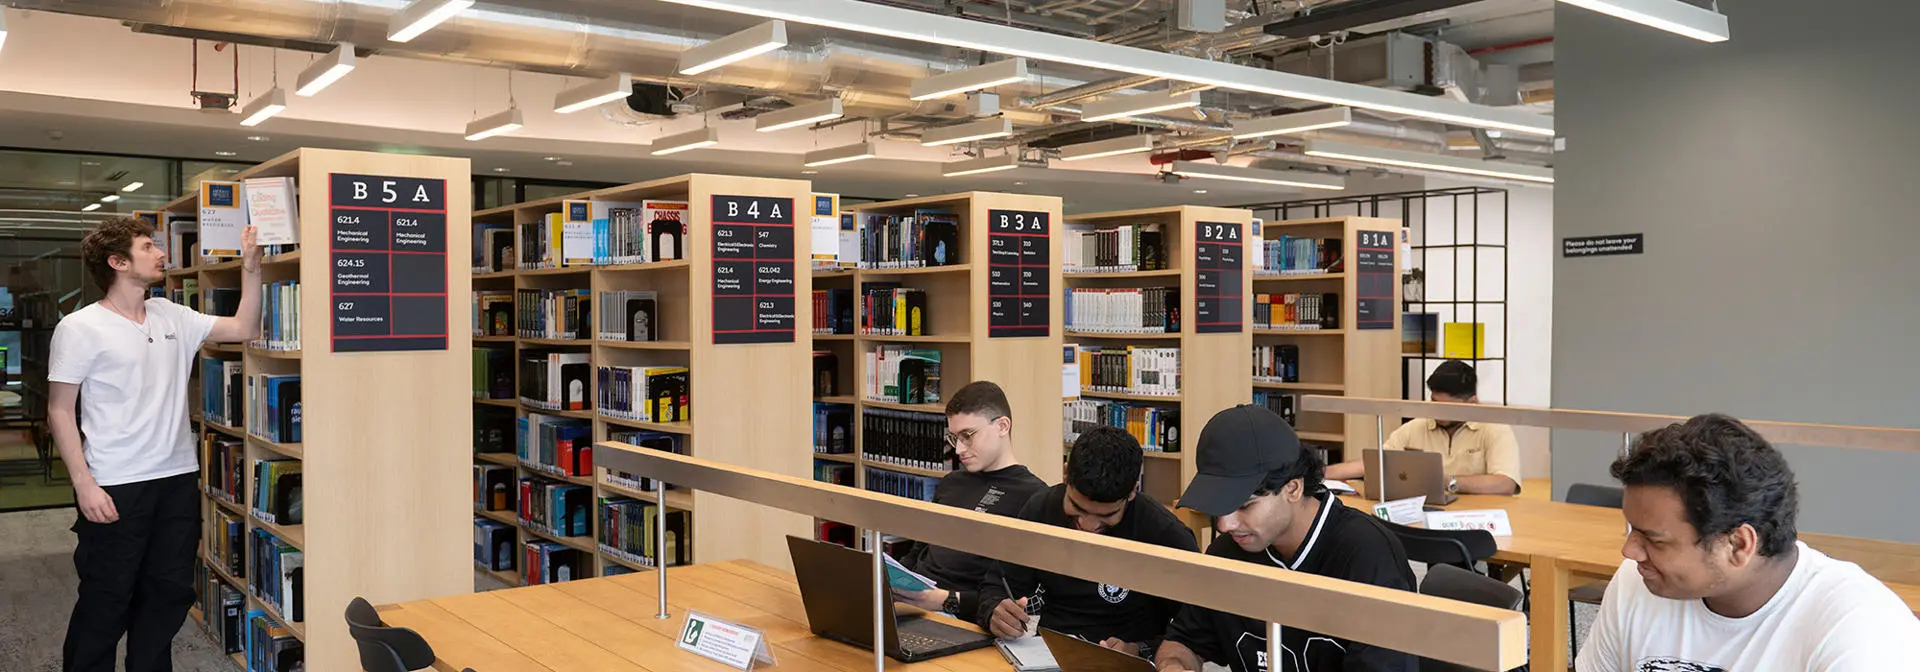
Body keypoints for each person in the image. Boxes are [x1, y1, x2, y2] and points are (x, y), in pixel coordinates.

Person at [52, 217, 262, 672]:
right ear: (118, 262)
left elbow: (245, 326)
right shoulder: (79, 327)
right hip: (115, 483)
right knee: (107, 601)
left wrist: (250, 267)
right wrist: (84, 484)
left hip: (176, 480)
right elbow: (59, 410)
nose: (161, 254)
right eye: (149, 246)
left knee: (167, 597)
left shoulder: (173, 315)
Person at [1576, 413, 1920, 671]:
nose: (1630, 551)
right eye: (1632, 530)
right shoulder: (1637, 582)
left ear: (1739, 545)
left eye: (1654, 539)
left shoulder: (1860, 630)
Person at [1157, 405, 1417, 672]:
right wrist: (1173, 664)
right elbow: (1183, 642)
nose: (1225, 525)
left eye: (1245, 505)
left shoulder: (1369, 557)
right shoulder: (1229, 551)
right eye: (1219, 506)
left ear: (1293, 488)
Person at [978, 426, 1198, 657]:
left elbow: (1195, 630)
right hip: (1046, 653)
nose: (1088, 527)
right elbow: (996, 584)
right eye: (1077, 509)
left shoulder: (1164, 535)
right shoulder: (1040, 509)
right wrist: (994, 611)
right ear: (1065, 475)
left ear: (1133, 491)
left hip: (1127, 660)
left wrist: (1141, 649)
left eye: (1106, 517)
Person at [892, 380, 1049, 620]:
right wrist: (894, 580)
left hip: (963, 615)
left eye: (968, 436)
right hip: (912, 607)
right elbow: (919, 551)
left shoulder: (1035, 497)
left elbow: (1013, 597)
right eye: (954, 438)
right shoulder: (951, 482)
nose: (958, 450)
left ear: (1002, 427)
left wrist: (943, 600)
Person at [1325, 359, 1521, 495]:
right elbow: (1376, 462)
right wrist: (1320, 475)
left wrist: (1447, 482)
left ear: (1471, 403)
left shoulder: (1494, 428)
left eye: (1445, 407)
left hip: (1477, 519)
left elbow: (1506, 483)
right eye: (1433, 401)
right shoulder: (1416, 427)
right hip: (1424, 514)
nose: (1435, 411)